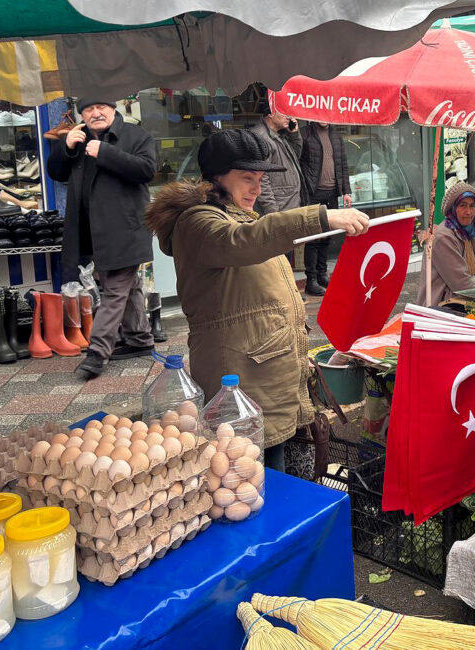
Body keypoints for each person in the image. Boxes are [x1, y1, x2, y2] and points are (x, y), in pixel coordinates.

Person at [144, 129, 368, 471]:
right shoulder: (198, 222)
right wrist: (322, 217)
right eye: (247, 178)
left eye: (261, 179)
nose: (257, 188)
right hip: (240, 378)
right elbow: (244, 241)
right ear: (217, 177)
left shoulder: (242, 214)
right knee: (253, 475)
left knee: (283, 477)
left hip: (269, 372)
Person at [46, 98, 156, 380]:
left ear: (113, 109)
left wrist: (105, 152)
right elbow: (56, 173)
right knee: (125, 287)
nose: (95, 113)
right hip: (92, 229)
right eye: (88, 109)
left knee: (115, 289)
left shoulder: (135, 135)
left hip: (126, 228)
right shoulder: (78, 138)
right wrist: (66, 147)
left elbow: (147, 171)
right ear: (81, 114)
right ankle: (140, 339)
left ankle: (97, 353)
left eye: (101, 108)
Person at [299, 122, 352, 296]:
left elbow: (343, 165)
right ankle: (311, 280)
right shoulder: (305, 134)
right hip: (313, 193)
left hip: (332, 193)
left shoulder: (336, 136)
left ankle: (322, 274)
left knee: (327, 237)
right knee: (313, 238)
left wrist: (346, 191)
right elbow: (299, 164)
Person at [418, 182, 475, 306]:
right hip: (442, 306)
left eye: (472, 206)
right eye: (462, 206)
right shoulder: (443, 237)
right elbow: (461, 282)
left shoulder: (469, 234)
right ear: (452, 208)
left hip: (465, 299)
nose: (468, 212)